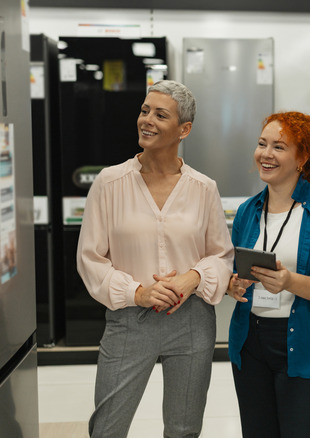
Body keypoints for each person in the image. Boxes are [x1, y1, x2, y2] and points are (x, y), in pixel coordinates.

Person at [76, 80, 234, 438]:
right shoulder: (110, 182)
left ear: (184, 129)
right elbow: (90, 258)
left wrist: (192, 277)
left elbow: (221, 255)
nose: (147, 120)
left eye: (160, 115)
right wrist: (139, 293)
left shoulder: (203, 187)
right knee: (108, 428)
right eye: (145, 111)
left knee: (183, 429)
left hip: (191, 320)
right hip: (130, 321)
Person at [226, 111, 310, 437]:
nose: (266, 154)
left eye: (279, 147)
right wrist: (232, 285)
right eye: (262, 144)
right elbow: (233, 267)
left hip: (303, 342)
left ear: (302, 157)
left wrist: (289, 281)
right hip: (250, 341)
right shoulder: (247, 211)